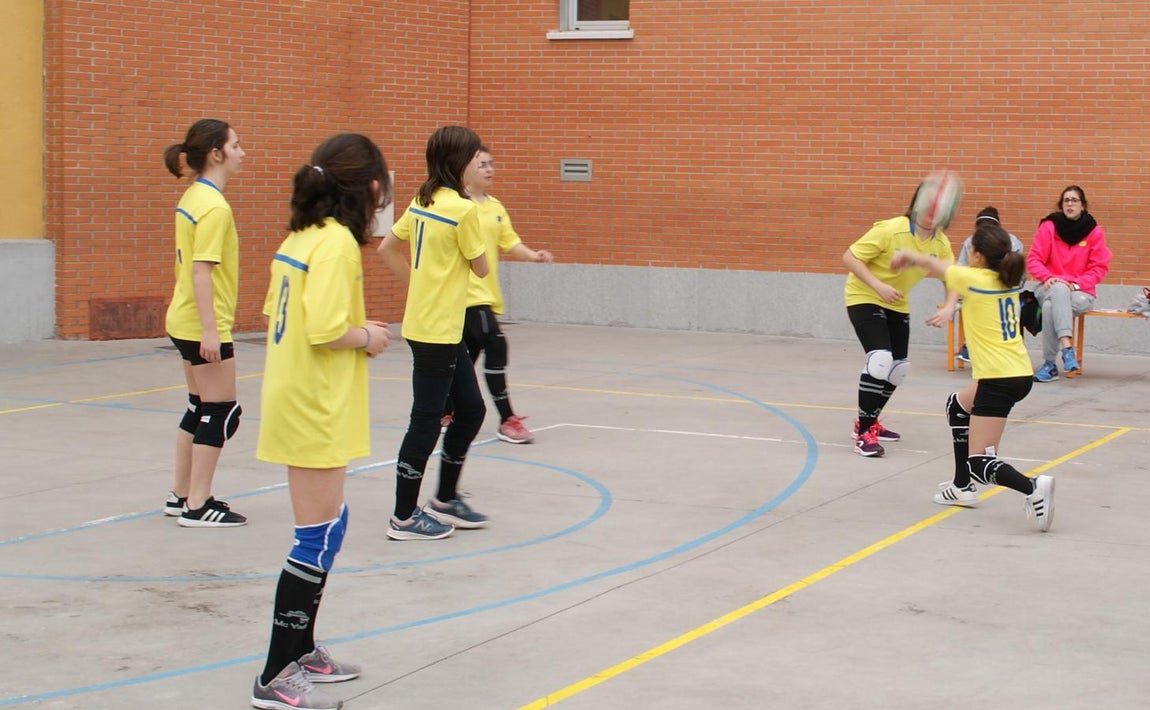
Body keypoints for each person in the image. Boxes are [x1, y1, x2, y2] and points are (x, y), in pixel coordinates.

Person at [252, 133, 392, 710]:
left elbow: (282, 316)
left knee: (325, 528)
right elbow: (326, 331)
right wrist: (371, 337)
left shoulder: (304, 235)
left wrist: (354, 329)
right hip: (314, 404)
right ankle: (276, 671)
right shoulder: (334, 243)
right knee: (318, 536)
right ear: (372, 189)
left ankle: (302, 648)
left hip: (296, 395)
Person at [891, 223, 1055, 532]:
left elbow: (936, 264)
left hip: (999, 379)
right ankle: (961, 486)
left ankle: (1033, 487)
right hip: (1017, 372)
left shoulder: (974, 277)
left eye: (970, 252)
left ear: (977, 256)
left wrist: (906, 254)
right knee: (957, 406)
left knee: (979, 462)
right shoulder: (1005, 278)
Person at [378, 126, 490, 540]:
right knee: (425, 422)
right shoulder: (463, 210)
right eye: (475, 157)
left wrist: (417, 285)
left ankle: (443, 499)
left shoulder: (422, 199)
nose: (480, 164)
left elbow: (386, 247)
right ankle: (403, 517)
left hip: (434, 325)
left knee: (471, 409)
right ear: (459, 162)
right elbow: (481, 267)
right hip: (437, 330)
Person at [161, 118, 248, 527]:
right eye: (236, 145)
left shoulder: (193, 196)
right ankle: (198, 505)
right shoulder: (213, 206)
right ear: (216, 153)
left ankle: (181, 496)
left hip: (183, 318)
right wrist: (212, 331)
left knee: (199, 406)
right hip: (200, 322)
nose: (242, 152)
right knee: (221, 409)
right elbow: (201, 271)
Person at [441, 146, 554, 444]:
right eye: (482, 165)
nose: (490, 170)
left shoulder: (495, 208)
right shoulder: (455, 205)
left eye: (492, 164)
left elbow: (510, 242)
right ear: (464, 169)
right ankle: (507, 419)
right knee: (495, 343)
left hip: (486, 292)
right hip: (465, 292)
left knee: (468, 355)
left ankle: (446, 408)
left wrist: (533, 256)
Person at [842, 179, 956, 457]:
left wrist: (949, 307)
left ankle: (869, 421)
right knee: (880, 358)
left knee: (899, 368)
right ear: (916, 204)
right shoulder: (890, 230)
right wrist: (877, 285)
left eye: (937, 207)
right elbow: (849, 257)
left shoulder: (940, 242)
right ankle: (864, 432)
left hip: (897, 302)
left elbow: (952, 277)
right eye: (927, 205)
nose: (931, 211)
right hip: (864, 295)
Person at [1026, 185, 1112, 382]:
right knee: (1057, 289)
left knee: (1049, 308)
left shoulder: (1094, 232)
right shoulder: (1049, 227)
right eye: (1066, 200)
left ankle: (1049, 365)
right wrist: (1047, 277)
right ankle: (1067, 348)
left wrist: (1074, 285)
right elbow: (1034, 260)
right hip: (1048, 286)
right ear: (1061, 204)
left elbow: (1099, 268)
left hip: (1081, 292)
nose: (1070, 204)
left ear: (1083, 205)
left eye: (1074, 200)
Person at [946, 207, 1025, 363]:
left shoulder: (1012, 242)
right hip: (979, 287)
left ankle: (975, 345)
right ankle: (971, 344)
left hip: (1004, 288)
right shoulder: (970, 242)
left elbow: (1019, 276)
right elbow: (961, 270)